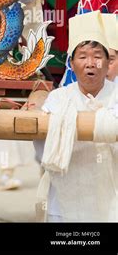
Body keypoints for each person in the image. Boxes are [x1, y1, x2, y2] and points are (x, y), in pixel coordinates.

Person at [35, 11, 117, 222]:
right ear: (71, 64)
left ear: (108, 64)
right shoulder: (58, 99)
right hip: (65, 199)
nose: (90, 63)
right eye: (82, 57)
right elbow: (44, 150)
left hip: (111, 198)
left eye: (98, 57)